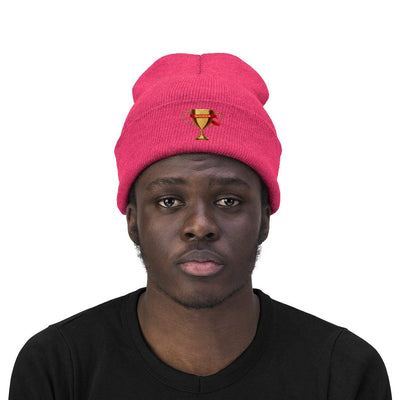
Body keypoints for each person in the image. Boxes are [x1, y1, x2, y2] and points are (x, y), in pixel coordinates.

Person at [9, 53, 392, 399]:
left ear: (265, 217)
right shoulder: (59, 368)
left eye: (228, 201)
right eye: (169, 201)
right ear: (133, 219)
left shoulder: (342, 373)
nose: (200, 226)